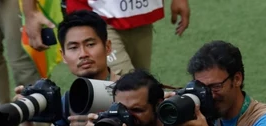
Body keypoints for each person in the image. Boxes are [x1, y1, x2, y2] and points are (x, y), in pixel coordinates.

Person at [37, 0, 190, 75]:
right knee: (126, 84)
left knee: (143, 83)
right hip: (95, 13)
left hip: (139, 13)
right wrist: (30, 13)